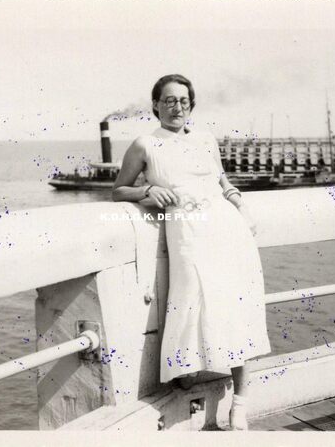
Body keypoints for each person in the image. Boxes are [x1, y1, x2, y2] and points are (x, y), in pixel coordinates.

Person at [112, 74, 271, 430]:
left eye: (183, 101)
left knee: (236, 308)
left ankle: (239, 404)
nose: (177, 107)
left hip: (228, 230)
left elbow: (222, 181)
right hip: (187, 231)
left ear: (191, 105)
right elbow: (118, 190)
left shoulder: (205, 139)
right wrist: (147, 191)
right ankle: (186, 372)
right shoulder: (145, 145)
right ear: (155, 105)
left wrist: (240, 205)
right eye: (169, 100)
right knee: (189, 301)